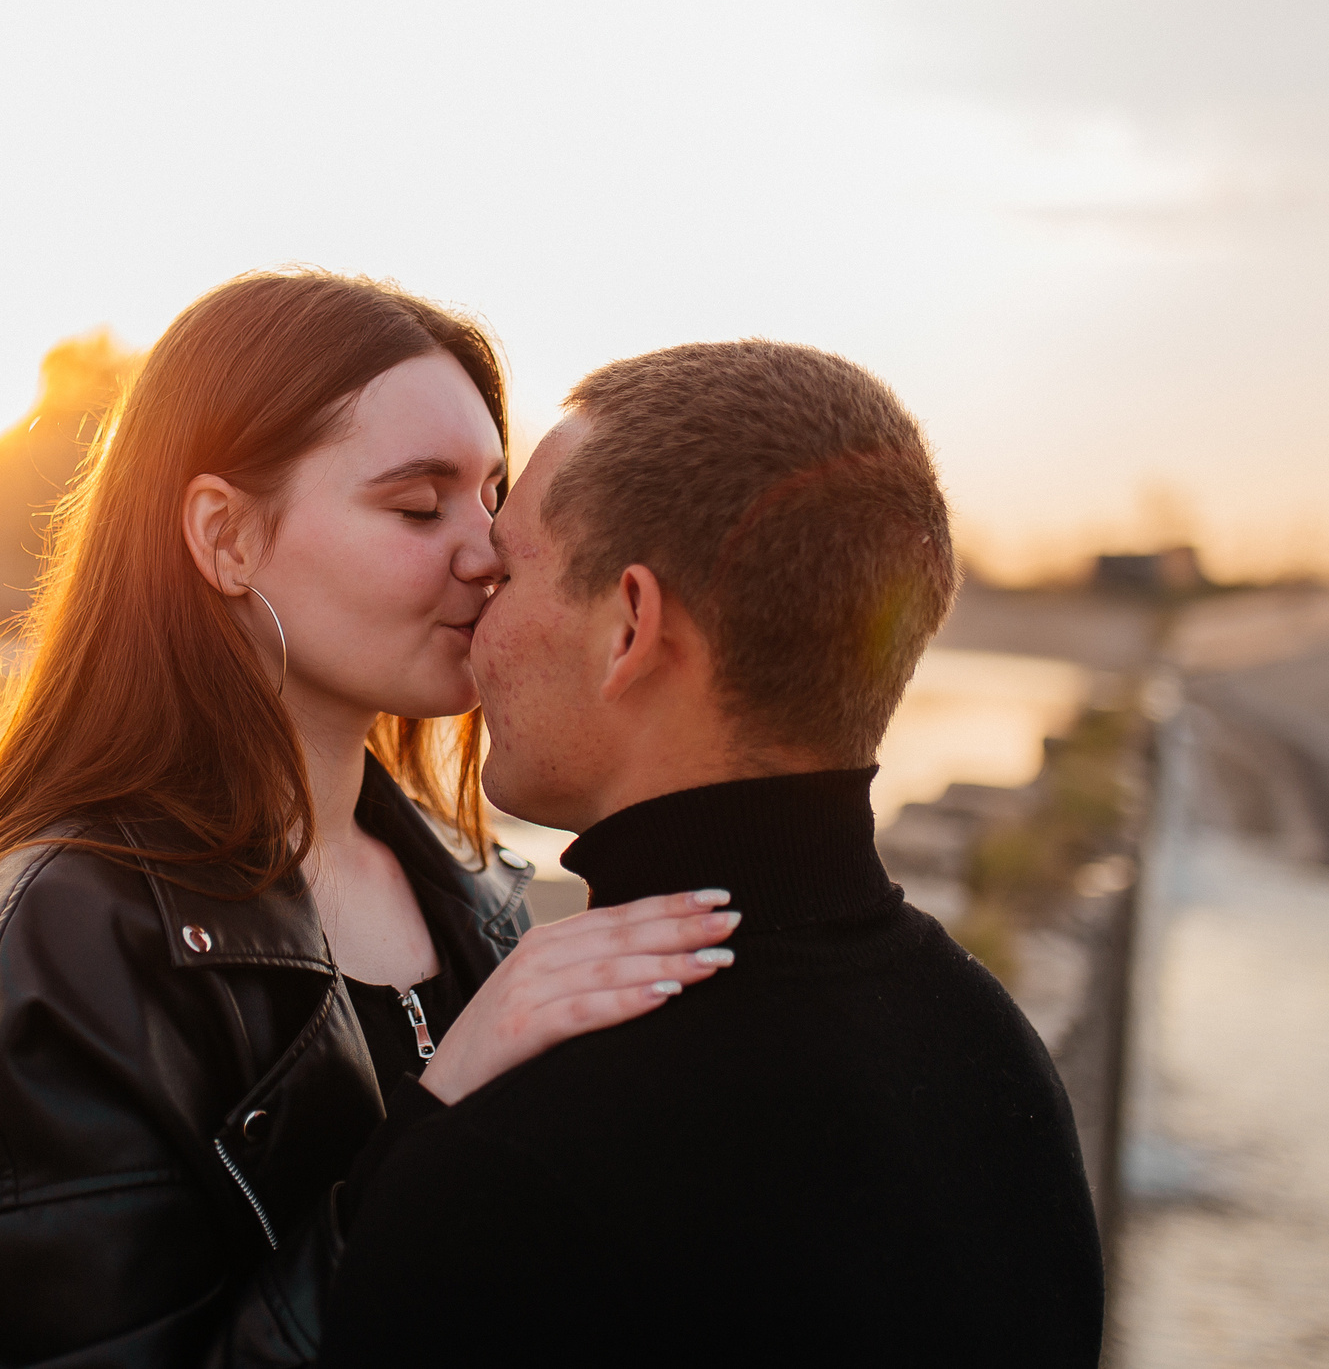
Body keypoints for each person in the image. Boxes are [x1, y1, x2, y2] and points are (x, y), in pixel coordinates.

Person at [0, 271, 735, 1368]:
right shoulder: (54, 947)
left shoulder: (474, 896)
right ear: (225, 537)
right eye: (419, 506)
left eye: (491, 500)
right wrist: (448, 1112)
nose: (486, 554)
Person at [319, 341, 1107, 1367]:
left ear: (629, 628)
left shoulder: (519, 1158)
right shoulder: (997, 1062)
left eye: (507, 571)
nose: (476, 616)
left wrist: (410, 1160)